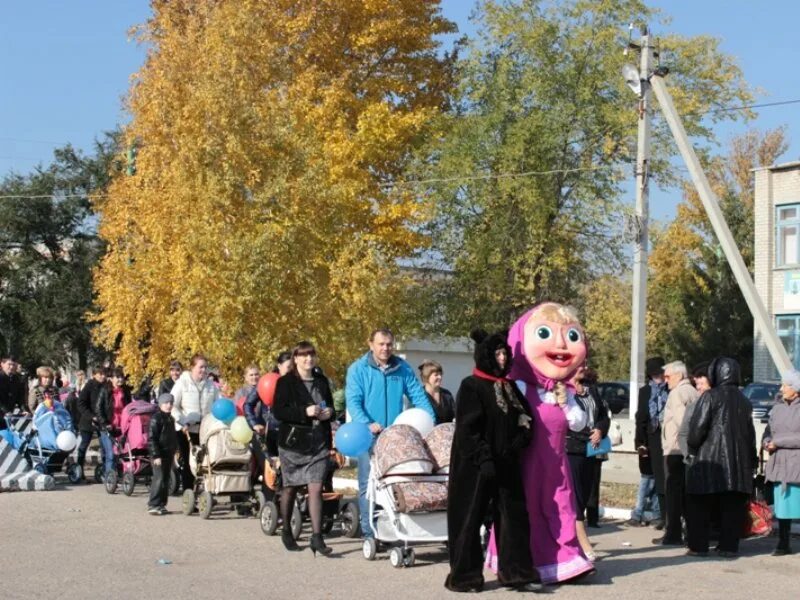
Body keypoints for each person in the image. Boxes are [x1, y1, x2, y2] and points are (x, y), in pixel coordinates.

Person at [487, 302, 595, 584]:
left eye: (571, 337)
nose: (561, 345)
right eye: (546, 333)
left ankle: (567, 562)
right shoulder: (518, 386)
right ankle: (522, 564)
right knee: (527, 514)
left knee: (562, 511)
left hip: (557, 466)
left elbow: (580, 424)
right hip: (526, 466)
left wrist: (566, 404)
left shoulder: (565, 391)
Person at [445, 329, 538, 593]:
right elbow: (467, 429)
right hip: (475, 466)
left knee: (513, 519)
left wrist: (522, 438)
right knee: (468, 519)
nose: (502, 358)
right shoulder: (471, 386)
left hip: (506, 462)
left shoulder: (508, 387)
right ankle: (465, 577)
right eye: (497, 353)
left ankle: (517, 574)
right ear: (485, 356)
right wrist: (483, 458)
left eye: (504, 353)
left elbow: (526, 417)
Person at [345, 328, 436, 540]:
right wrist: (368, 423)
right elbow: (354, 402)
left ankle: (394, 529)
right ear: (371, 344)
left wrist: (430, 422)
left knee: (396, 481)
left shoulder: (402, 368)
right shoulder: (358, 369)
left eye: (389, 344)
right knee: (369, 482)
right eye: (381, 344)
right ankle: (370, 532)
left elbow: (418, 396)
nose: (386, 348)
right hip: (369, 435)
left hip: (396, 435)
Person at [685, 357, 756, 558]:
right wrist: (752, 461)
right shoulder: (745, 401)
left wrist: (693, 448)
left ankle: (698, 546)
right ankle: (729, 546)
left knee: (699, 505)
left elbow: (697, 429)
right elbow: (750, 435)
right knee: (732, 507)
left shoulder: (709, 397)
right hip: (738, 464)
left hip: (710, 459)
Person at [272, 341, 335, 556]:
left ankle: (317, 537)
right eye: (304, 356)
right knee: (290, 487)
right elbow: (279, 411)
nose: (309, 359)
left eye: (312, 355)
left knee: (315, 488)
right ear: (295, 358)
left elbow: (331, 406)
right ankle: (287, 529)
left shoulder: (321, 381)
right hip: (294, 444)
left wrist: (329, 414)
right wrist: (303, 412)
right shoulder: (286, 382)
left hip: (318, 442)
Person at [567, 365, 610, 559]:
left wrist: (600, 430)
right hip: (572, 449)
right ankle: (584, 543)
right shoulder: (564, 390)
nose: (584, 367)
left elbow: (602, 415)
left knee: (586, 493)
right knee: (575, 495)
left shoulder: (591, 389)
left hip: (592, 449)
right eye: (580, 366)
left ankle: (574, 538)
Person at [658, 360, 699, 546]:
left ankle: (672, 533)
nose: (665, 380)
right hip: (687, 449)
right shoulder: (692, 391)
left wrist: (679, 444)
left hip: (675, 448)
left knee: (673, 492)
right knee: (686, 492)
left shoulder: (677, 393)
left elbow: (683, 422)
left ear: (679, 375)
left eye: (668, 376)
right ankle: (689, 531)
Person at [763, 369, 800, 556]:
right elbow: (768, 431)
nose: (782, 387)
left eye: (785, 385)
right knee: (783, 506)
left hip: (796, 464)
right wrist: (767, 442)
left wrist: (779, 442)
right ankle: (783, 542)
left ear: (795, 389)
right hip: (779, 463)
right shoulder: (777, 408)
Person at [171, 354, 218, 491]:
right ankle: (188, 492)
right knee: (189, 461)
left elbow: (218, 404)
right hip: (186, 429)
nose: (203, 370)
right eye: (200, 367)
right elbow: (173, 405)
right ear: (192, 367)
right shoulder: (183, 382)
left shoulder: (211, 386)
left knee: (205, 462)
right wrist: (182, 421)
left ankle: (204, 491)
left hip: (204, 430)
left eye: (205, 367)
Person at [635, 356, 667, 530]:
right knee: (653, 475)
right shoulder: (645, 391)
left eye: (660, 373)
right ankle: (658, 513)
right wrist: (640, 443)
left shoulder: (670, 388)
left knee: (664, 476)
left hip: (668, 436)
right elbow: (641, 417)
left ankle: (663, 513)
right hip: (652, 436)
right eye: (655, 374)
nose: (658, 377)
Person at [76, 367, 115, 479]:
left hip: (102, 421)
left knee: (104, 446)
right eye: (100, 374)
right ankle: (79, 468)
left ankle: (104, 470)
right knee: (84, 445)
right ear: (94, 375)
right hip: (88, 421)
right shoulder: (89, 386)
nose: (103, 376)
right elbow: (81, 403)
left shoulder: (107, 386)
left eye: (104, 374)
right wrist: (91, 416)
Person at [148, 393, 178, 515]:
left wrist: (175, 450)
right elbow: (152, 439)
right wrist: (156, 455)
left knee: (166, 479)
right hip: (159, 455)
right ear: (160, 404)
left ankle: (161, 504)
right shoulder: (156, 418)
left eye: (171, 403)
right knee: (159, 479)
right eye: (166, 403)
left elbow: (172, 437)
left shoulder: (171, 419)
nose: (169, 405)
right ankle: (153, 504)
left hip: (168, 453)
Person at [418, 360, 456, 424]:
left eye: (440, 374)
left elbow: (455, 415)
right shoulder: (419, 396)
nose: (440, 377)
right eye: (436, 375)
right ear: (427, 377)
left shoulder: (447, 394)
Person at [0, 357, 27, 426]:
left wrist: (24, 410)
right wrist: (6, 411)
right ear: (2, 364)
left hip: (9, 416)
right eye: (9, 364)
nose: (11, 367)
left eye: (13, 365)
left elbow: (20, 397)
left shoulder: (17, 379)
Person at [108, 367, 132, 432]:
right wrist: (104, 423)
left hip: (123, 422)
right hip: (110, 423)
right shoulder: (106, 391)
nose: (121, 379)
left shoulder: (126, 390)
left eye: (122, 377)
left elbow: (129, 405)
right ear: (111, 379)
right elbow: (99, 408)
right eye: (118, 377)